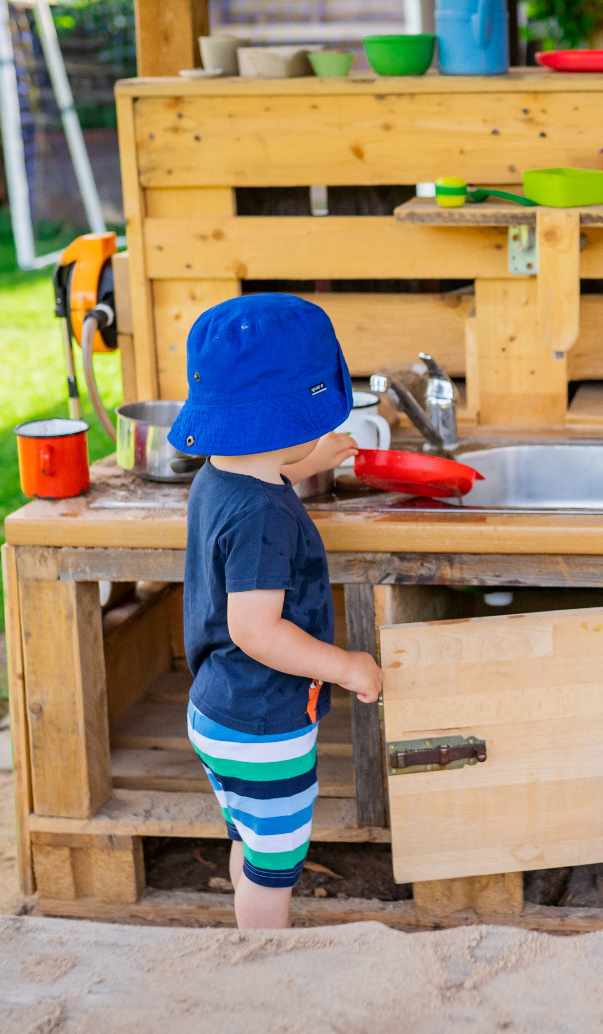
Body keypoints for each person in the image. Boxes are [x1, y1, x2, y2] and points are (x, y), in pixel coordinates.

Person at [171, 293, 384, 929]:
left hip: (220, 707)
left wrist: (317, 458)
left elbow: (268, 464)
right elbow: (256, 629)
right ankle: (266, 972)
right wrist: (346, 666)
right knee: (276, 866)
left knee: (251, 840)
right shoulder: (263, 515)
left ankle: (250, 933)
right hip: (263, 722)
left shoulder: (223, 474)